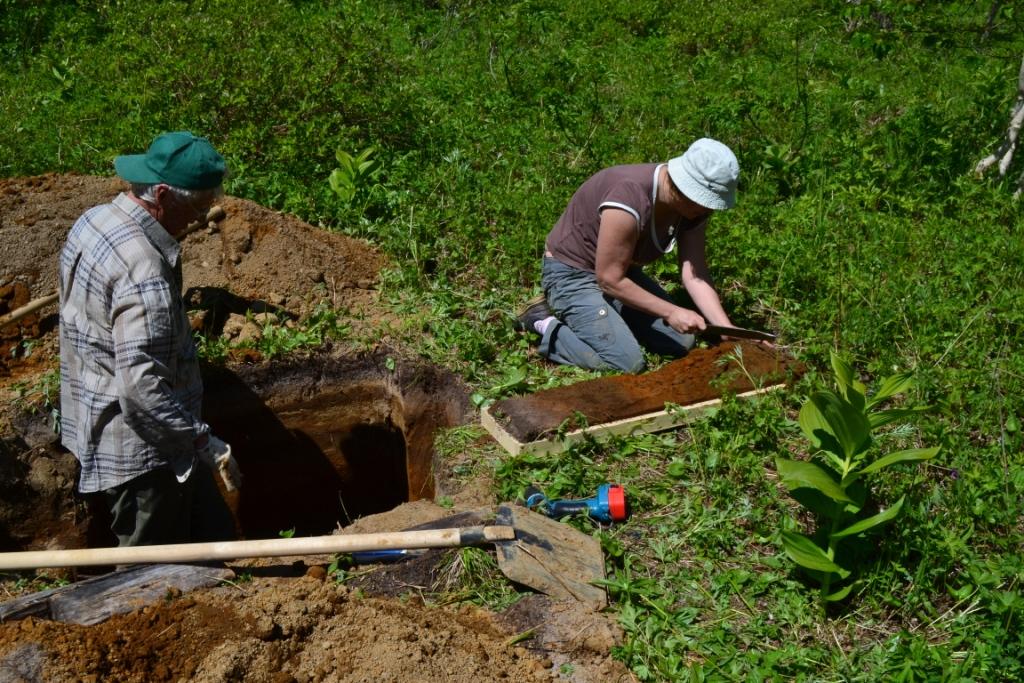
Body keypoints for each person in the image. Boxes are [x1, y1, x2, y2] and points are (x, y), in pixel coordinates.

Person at [59, 131, 242, 547]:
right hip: (144, 457)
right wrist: (203, 442)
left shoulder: (95, 221)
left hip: (115, 420)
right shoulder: (144, 274)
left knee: (212, 534)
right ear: (162, 194)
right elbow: (141, 389)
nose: (199, 217)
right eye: (196, 206)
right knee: (148, 579)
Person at [516, 138, 742, 373]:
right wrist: (671, 311)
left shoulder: (693, 209)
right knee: (627, 363)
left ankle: (609, 319)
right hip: (573, 273)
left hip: (621, 273)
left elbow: (695, 274)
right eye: (705, 203)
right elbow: (609, 280)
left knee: (682, 341)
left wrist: (725, 327)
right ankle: (541, 321)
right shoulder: (628, 196)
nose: (708, 211)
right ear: (684, 188)